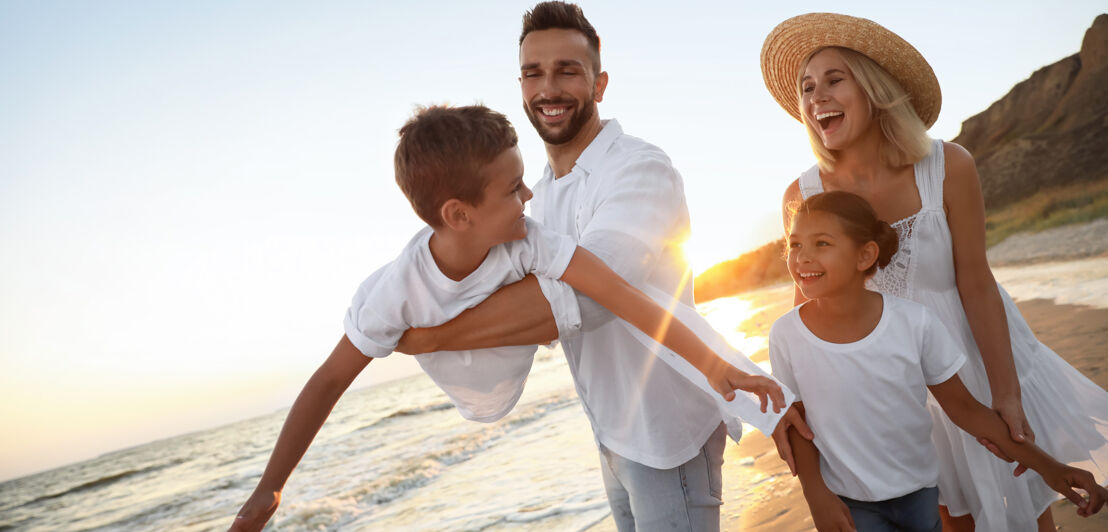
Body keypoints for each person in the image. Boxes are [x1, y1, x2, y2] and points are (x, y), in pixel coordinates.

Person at [227, 104, 788, 532]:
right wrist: (270, 489)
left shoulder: (526, 240)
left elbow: (619, 294)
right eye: (511, 188)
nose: (529, 193)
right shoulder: (393, 295)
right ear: (458, 214)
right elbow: (329, 380)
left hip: (564, 388)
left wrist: (717, 368)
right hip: (474, 395)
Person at [393, 3, 812, 530]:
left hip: (666, 432)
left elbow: (581, 300)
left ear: (599, 83)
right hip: (609, 430)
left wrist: (431, 337)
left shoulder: (639, 169)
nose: (548, 88)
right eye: (533, 72)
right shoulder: (535, 198)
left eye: (567, 70)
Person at [761, 12, 1108, 531]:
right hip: (894, 383)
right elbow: (812, 318)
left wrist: (1005, 393)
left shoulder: (948, 164)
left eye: (835, 80)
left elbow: (976, 281)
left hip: (980, 355)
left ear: (874, 88)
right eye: (807, 88)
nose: (816, 98)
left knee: (1030, 513)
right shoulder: (804, 194)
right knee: (949, 518)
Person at [771, 190, 1106, 531]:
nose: (802, 257)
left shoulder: (913, 323)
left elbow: (965, 408)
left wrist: (1050, 467)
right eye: (795, 244)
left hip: (921, 493)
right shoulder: (786, 335)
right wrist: (816, 495)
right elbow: (797, 424)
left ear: (865, 255)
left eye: (822, 244)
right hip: (849, 501)